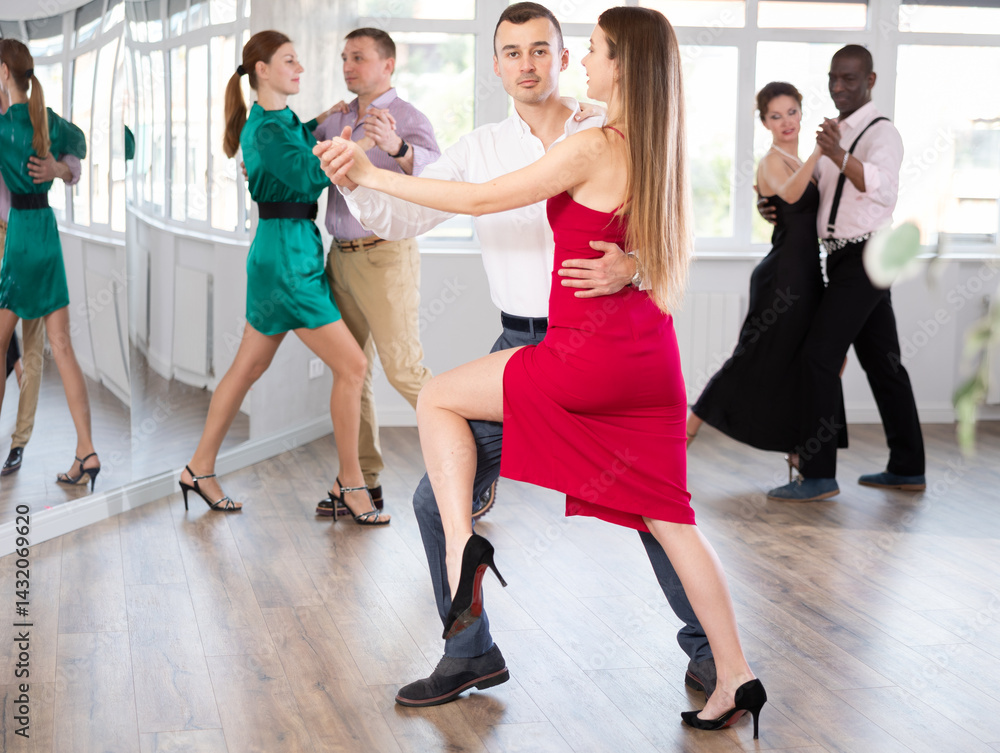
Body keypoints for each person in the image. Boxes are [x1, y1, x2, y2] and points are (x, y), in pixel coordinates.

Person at [319, 6, 766, 737]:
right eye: (510, 52)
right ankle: (482, 651)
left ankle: (478, 555)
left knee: (439, 403)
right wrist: (371, 179)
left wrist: (637, 263)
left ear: (569, 60)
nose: (530, 63)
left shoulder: (595, 131)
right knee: (661, 513)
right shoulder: (614, 134)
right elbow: (415, 213)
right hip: (614, 353)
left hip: (577, 354)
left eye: (560, 49)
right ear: (496, 64)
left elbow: (489, 202)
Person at [178, 30, 389, 525]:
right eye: (289, 61)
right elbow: (309, 174)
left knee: (247, 369)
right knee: (353, 367)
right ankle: (352, 484)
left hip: (280, 252)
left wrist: (322, 119)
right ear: (262, 71)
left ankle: (198, 469)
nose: (299, 68)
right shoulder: (267, 130)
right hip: (289, 261)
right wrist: (359, 137)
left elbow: (295, 139)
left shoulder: (276, 121)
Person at [766, 45, 925, 502]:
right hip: (841, 257)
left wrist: (837, 154)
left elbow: (882, 191)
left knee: (818, 357)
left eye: (850, 79)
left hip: (869, 255)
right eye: (834, 78)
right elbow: (820, 195)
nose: (838, 87)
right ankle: (908, 466)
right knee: (884, 363)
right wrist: (774, 205)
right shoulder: (836, 133)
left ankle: (819, 475)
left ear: (870, 80)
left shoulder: (881, 133)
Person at [309, 28, 440, 515]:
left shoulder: (407, 118)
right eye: (344, 57)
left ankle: (474, 473)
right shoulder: (336, 119)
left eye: (359, 57)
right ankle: (363, 482)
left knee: (405, 370)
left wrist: (401, 148)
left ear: (388, 64)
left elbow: (438, 176)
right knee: (351, 371)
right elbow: (302, 158)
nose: (348, 66)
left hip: (387, 257)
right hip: (338, 258)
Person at [687, 82, 846, 477]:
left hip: (809, 273)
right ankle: (684, 433)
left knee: (817, 360)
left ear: (801, 113)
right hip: (783, 278)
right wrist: (818, 151)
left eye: (792, 112)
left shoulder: (805, 163)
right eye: (776, 116)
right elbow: (791, 198)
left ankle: (799, 446)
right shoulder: (773, 161)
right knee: (753, 357)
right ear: (765, 123)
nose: (786, 121)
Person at [0, 39, 97, 491]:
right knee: (63, 348)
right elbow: (78, 142)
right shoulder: (46, 118)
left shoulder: (2, 126)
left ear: (4, 73)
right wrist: (59, 169)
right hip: (47, 234)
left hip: (19, 237)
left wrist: (56, 170)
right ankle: (87, 452)